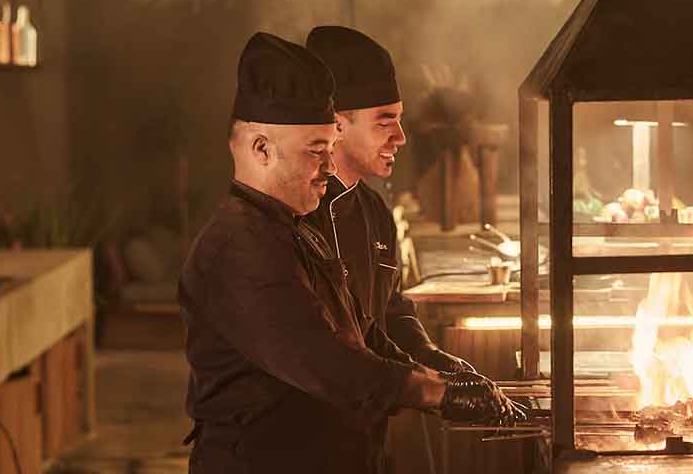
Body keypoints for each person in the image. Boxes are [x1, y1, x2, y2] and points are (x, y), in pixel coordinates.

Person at [178, 32, 522, 474]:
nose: (327, 166)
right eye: (316, 151)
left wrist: (438, 368)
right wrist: (436, 393)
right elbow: (328, 362)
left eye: (328, 148)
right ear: (261, 149)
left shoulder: (294, 227)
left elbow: (368, 330)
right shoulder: (240, 246)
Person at [304, 25, 476, 374]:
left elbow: (392, 309)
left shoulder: (375, 210)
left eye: (400, 121)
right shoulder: (298, 214)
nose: (400, 138)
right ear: (336, 125)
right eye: (385, 123)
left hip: (367, 416)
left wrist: (433, 358)